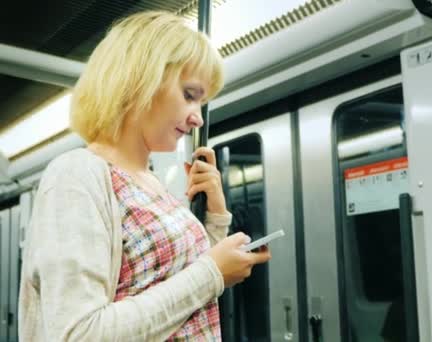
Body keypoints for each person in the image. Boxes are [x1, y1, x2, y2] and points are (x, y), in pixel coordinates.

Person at [18, 11, 271, 341]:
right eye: (190, 95)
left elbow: (176, 288)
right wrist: (213, 273)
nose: (197, 119)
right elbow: (80, 333)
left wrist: (216, 217)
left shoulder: (152, 183)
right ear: (139, 80)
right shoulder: (76, 175)